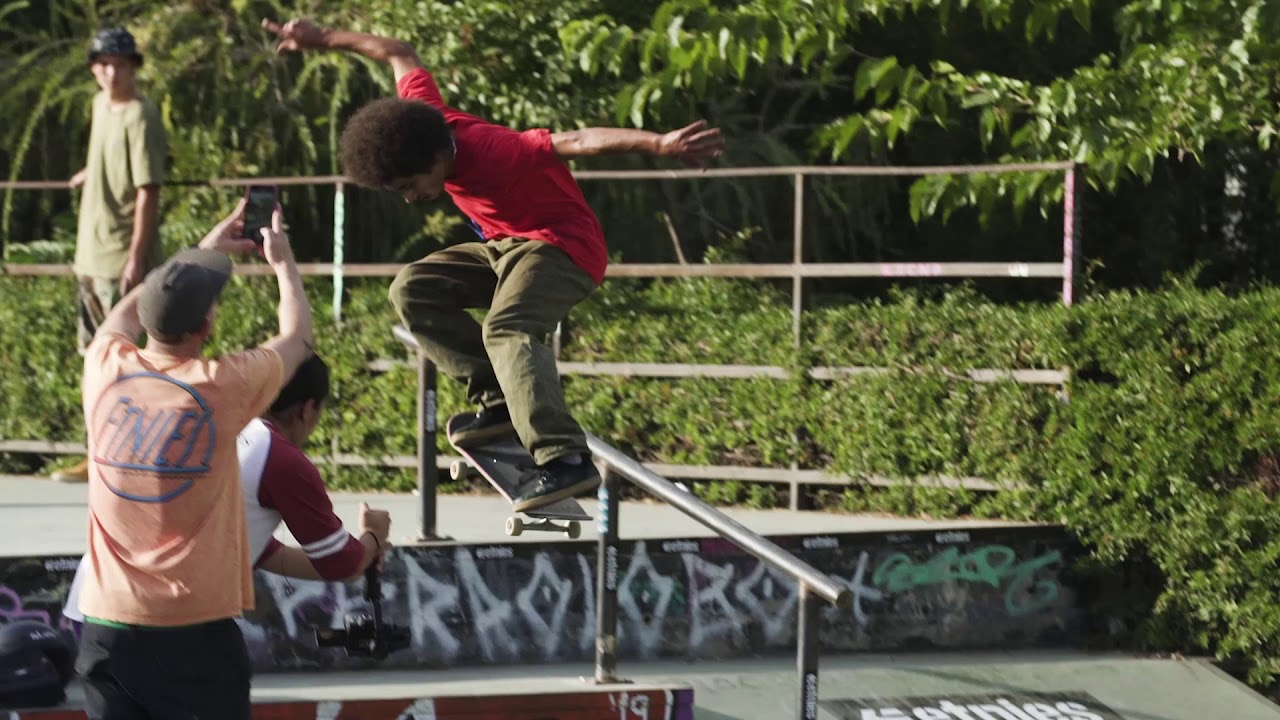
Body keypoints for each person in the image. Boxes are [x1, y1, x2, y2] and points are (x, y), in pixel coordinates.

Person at [261, 16, 725, 513]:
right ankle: (498, 398)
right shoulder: (422, 116)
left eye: (411, 185)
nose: (412, 199)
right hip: (504, 248)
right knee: (411, 289)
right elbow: (399, 48)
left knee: (507, 327)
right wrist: (324, 39)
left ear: (437, 156)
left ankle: (564, 457)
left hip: (562, 248)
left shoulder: (496, 152)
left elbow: (578, 141)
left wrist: (658, 144)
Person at [71, 199, 314, 720]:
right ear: (206, 326)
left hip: (107, 627)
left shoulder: (104, 366)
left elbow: (125, 313)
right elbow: (298, 340)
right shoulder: (220, 386)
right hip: (193, 633)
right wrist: (283, 263)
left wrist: (196, 255)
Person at [62, 354, 395, 637]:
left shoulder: (211, 423)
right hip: (169, 625)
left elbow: (262, 549)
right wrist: (373, 537)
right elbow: (341, 562)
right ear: (308, 409)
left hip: (93, 608)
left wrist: (359, 556)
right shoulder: (280, 458)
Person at [55, 27, 169, 483]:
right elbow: (108, 154)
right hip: (89, 252)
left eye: (119, 63)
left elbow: (148, 191)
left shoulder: (142, 114)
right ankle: (97, 452)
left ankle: (137, 454)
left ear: (133, 67)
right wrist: (92, 170)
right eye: (102, 63)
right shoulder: (100, 105)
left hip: (122, 253)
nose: (110, 71)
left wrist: (136, 259)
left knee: (129, 360)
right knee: (93, 359)